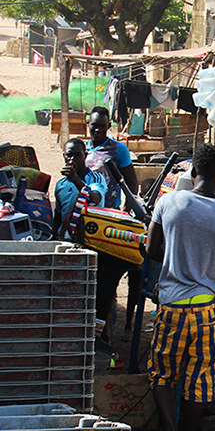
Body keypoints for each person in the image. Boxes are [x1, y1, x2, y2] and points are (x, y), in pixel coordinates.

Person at [143, 144, 215, 431]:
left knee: (161, 375)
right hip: (205, 310)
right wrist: (205, 265)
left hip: (171, 305)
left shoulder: (168, 202)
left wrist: (176, 260)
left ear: (193, 173)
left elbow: (150, 249)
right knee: (198, 384)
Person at [86, 106, 141, 341]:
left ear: (108, 127)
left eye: (101, 125)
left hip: (107, 219)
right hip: (85, 219)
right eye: (93, 125)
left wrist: (128, 214)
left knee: (108, 280)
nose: (96, 129)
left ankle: (108, 330)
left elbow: (131, 185)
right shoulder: (82, 149)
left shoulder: (117, 150)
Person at [52, 138, 108, 242]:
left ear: (85, 155)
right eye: (69, 155)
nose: (72, 159)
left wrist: (76, 180)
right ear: (64, 156)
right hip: (67, 239)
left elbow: (95, 199)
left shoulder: (96, 178)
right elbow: (58, 216)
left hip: (91, 237)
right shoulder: (61, 184)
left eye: (77, 155)